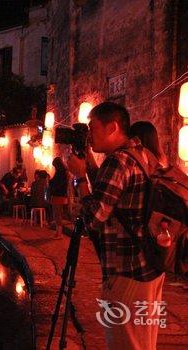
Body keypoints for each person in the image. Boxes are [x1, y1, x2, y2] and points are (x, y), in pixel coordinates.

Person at [67, 102, 165, 350]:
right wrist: (88, 163)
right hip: (149, 267)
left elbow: (94, 218)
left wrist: (79, 178)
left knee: (126, 344)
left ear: (112, 127)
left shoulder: (118, 161)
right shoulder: (141, 155)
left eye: (93, 128)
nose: (89, 135)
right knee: (143, 343)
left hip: (127, 272)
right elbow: (112, 195)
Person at [48, 157, 69, 239]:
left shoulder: (61, 173)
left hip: (58, 195)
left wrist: (50, 182)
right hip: (60, 195)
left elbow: (56, 183)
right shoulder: (63, 172)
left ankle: (59, 234)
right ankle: (57, 232)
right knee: (57, 214)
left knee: (58, 214)